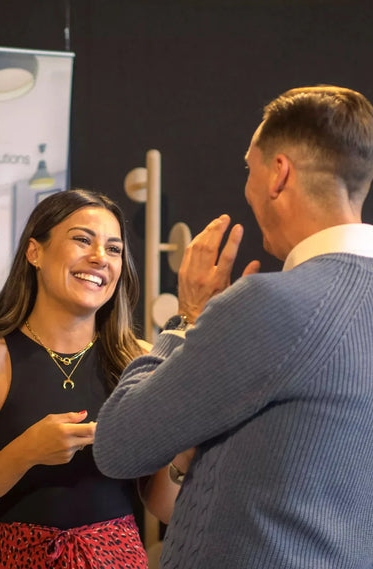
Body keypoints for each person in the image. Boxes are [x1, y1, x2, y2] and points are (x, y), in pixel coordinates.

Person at [93, 85, 373, 568]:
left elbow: (119, 444)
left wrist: (188, 317)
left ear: (279, 174)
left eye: (249, 167)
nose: (247, 187)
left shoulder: (272, 303)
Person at [0, 189, 183, 568]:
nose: (100, 257)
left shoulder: (140, 361)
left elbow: (165, 506)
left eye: (113, 249)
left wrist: (185, 448)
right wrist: (23, 454)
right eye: (82, 240)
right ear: (35, 252)